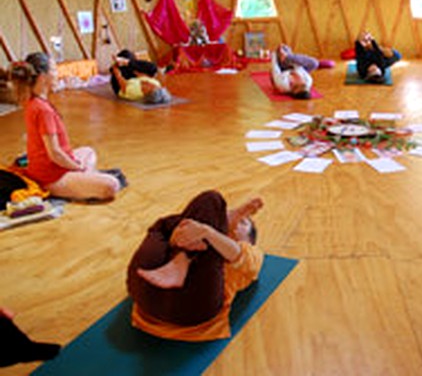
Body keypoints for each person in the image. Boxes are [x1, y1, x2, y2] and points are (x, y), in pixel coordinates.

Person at [127, 190, 263, 341]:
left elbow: (238, 255)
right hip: (146, 299)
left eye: (243, 222)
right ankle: (180, 260)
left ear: (249, 240)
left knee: (212, 201)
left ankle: (180, 260)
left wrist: (209, 232)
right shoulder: (196, 233)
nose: (234, 222)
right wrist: (178, 238)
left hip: (191, 310)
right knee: (171, 224)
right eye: (228, 216)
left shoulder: (252, 252)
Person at [9, 52, 122, 201]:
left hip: (48, 166)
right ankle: (77, 180)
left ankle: (84, 179)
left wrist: (74, 164)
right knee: (112, 185)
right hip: (51, 178)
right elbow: (55, 153)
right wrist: (76, 167)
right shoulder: (42, 110)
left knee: (88, 152)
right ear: (43, 77)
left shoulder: (34, 102)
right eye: (54, 70)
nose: (57, 74)